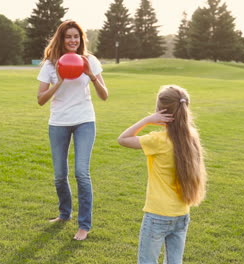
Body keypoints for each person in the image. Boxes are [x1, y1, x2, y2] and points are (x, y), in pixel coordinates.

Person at [118, 85, 207, 263]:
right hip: (182, 213)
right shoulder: (192, 138)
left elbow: (123, 139)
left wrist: (147, 120)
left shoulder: (158, 140)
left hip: (158, 214)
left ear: (160, 111)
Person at [37, 20, 109, 240]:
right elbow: (40, 100)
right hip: (58, 122)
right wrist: (60, 80)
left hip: (84, 121)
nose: (72, 40)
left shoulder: (90, 61)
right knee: (60, 176)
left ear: (81, 39)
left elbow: (104, 95)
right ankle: (64, 214)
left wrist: (91, 75)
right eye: (68, 36)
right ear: (61, 38)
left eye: (76, 37)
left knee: (81, 173)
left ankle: (84, 225)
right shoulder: (50, 65)